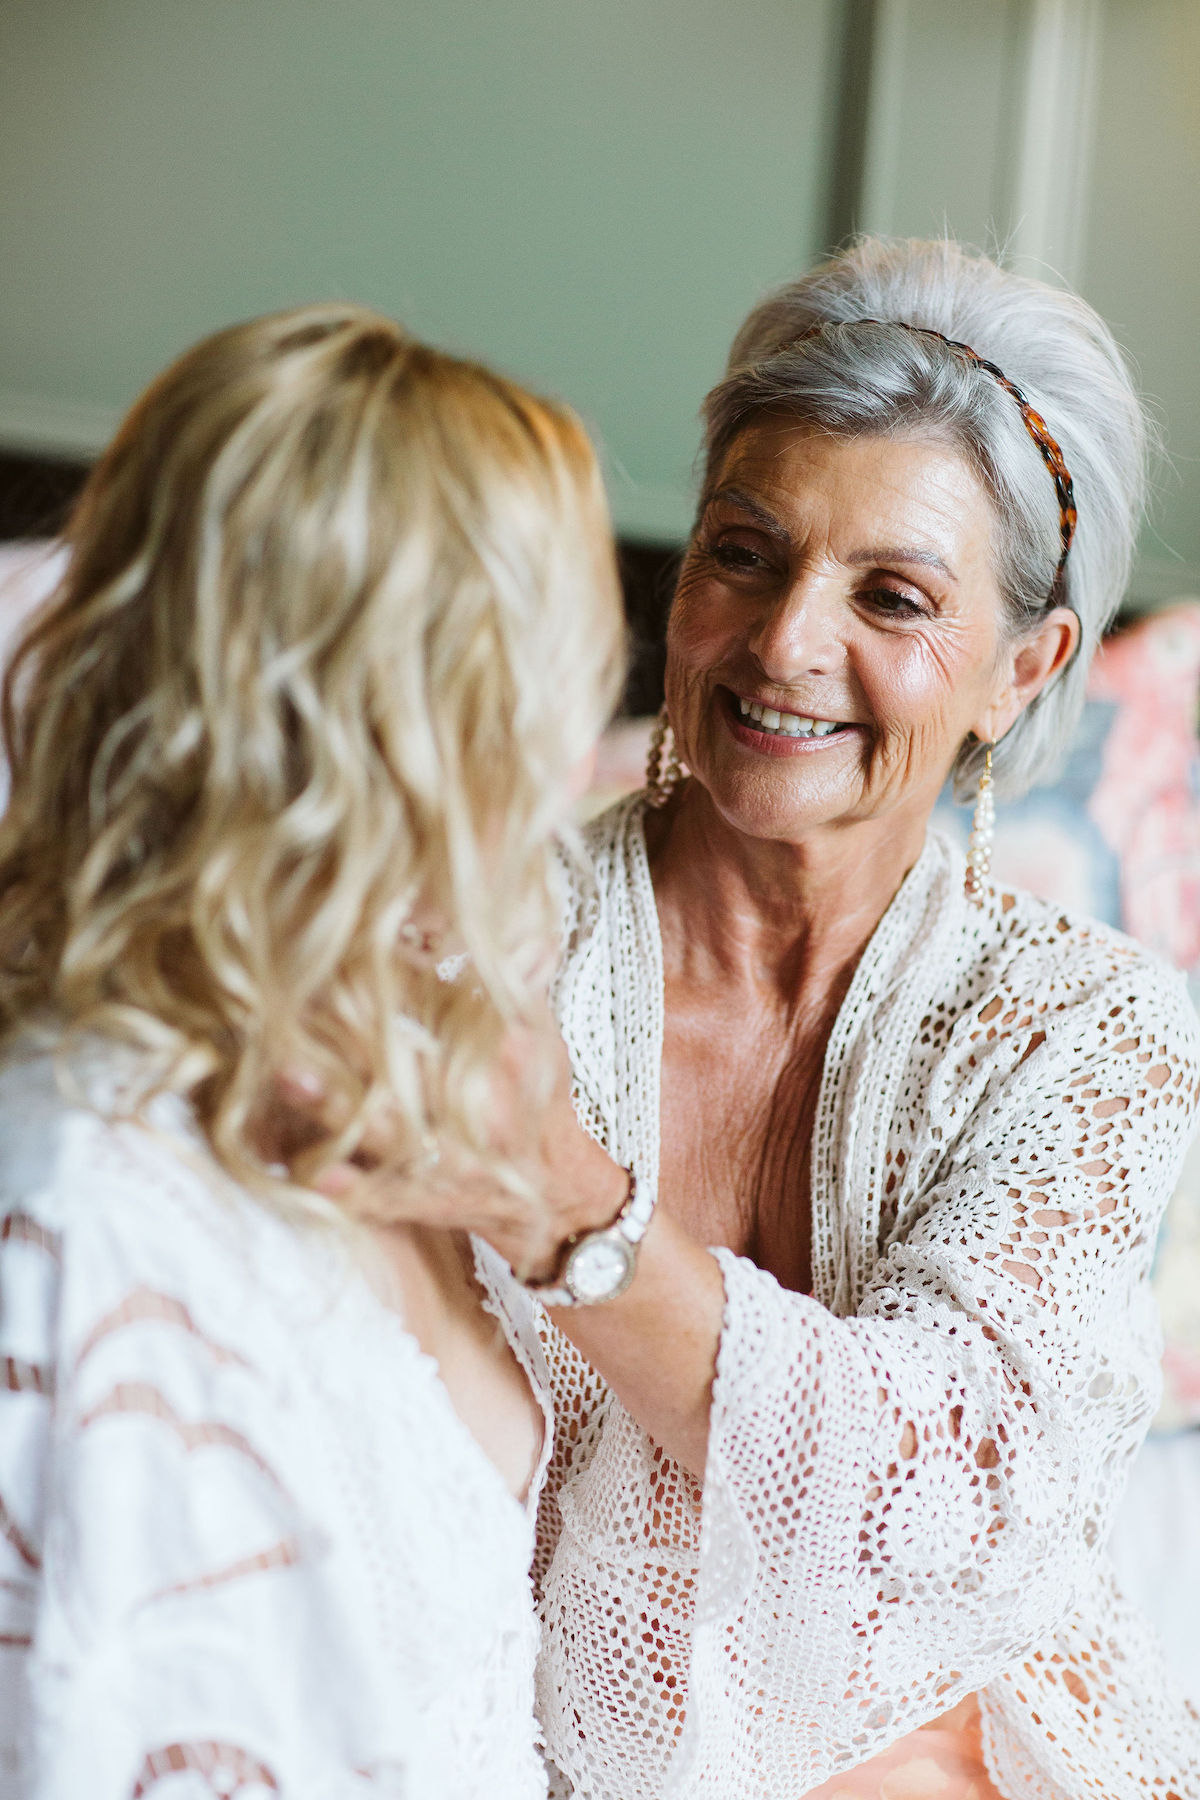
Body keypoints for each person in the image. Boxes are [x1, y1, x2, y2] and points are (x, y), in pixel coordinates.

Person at [335, 239, 1200, 1799]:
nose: (789, 642)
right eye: (745, 552)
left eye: (893, 596)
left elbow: (932, 1516)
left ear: (1025, 667)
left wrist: (559, 1202)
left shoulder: (1091, 1034)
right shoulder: (447, 936)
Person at [0, 305, 624, 1797]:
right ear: (420, 722)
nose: (580, 740)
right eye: (561, 666)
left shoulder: (417, 1072)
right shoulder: (82, 1208)